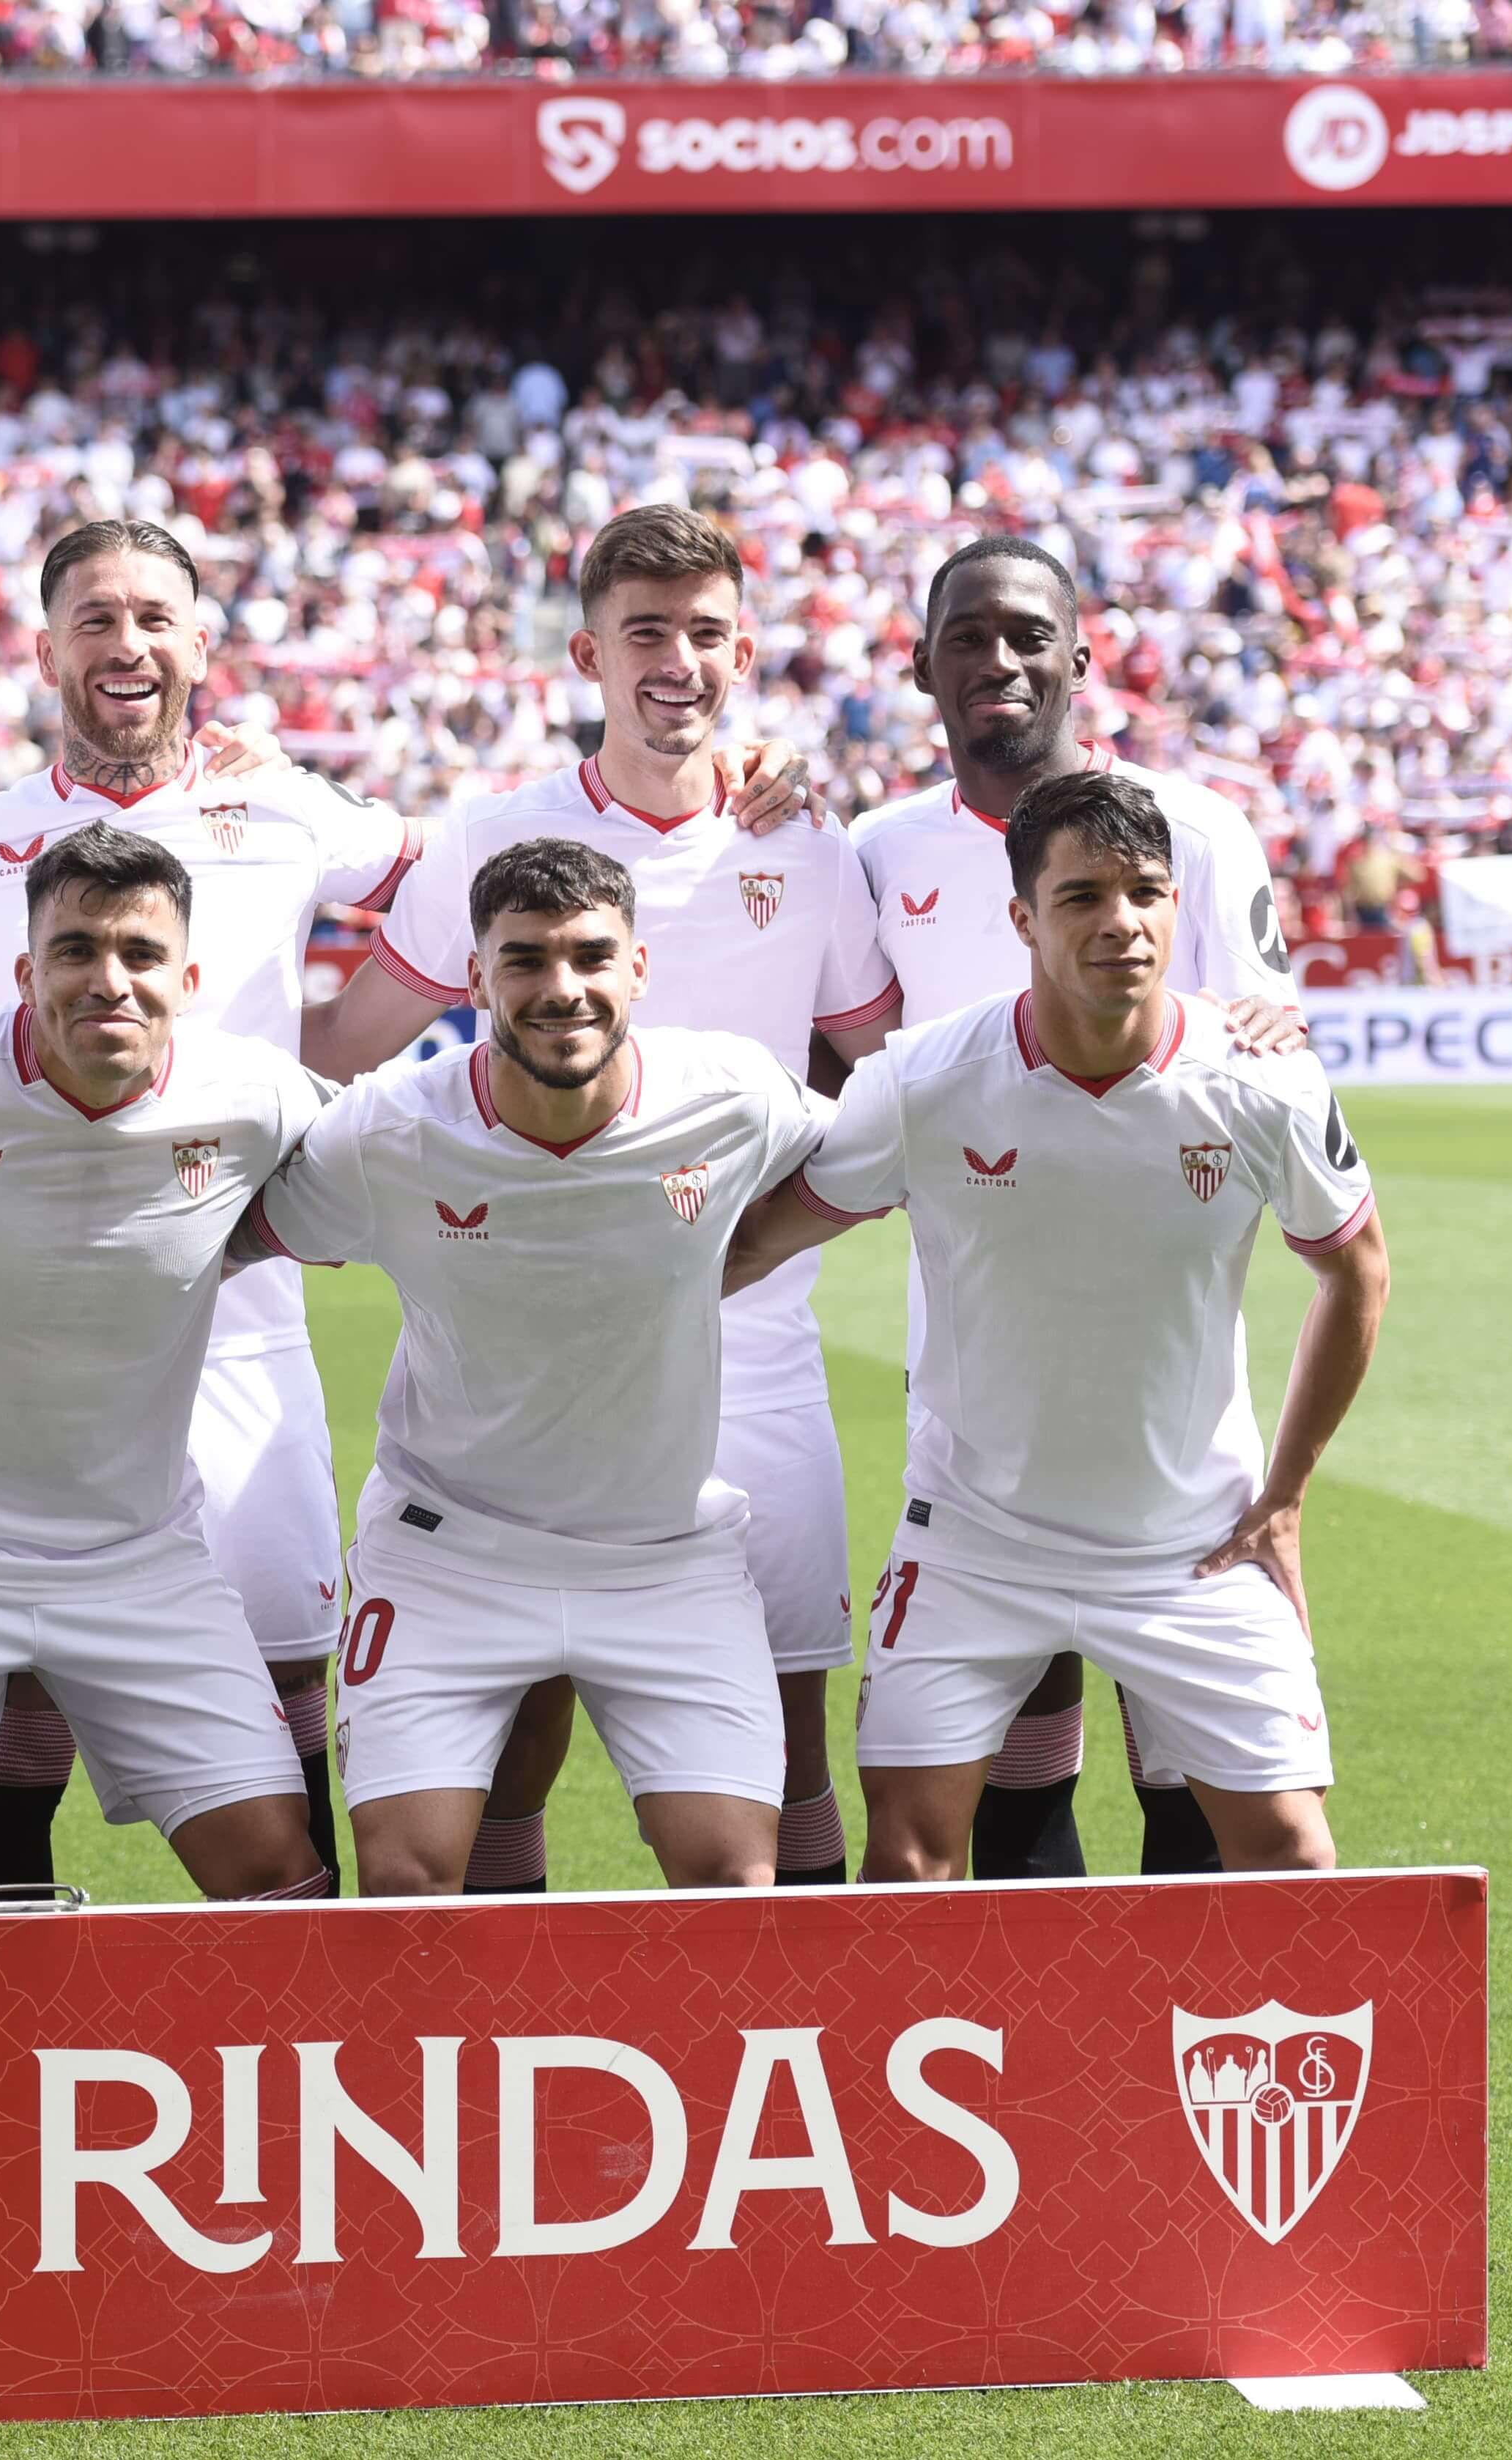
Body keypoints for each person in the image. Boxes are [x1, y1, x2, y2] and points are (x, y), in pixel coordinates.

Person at [316, 502, 897, 1890]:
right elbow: (344, 1050)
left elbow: (889, 1077)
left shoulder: (807, 843)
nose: (677, 663)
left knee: (792, 1746)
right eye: (646, 632)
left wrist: (729, 1252)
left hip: (751, 1360)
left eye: (706, 633)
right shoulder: (494, 838)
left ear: (745, 651)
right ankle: (503, 2059)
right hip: (527, 1358)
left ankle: (790, 2060)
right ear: (589, 652)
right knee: (507, 1732)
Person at [0, 517, 415, 1893]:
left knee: (292, 1682)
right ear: (45, 648)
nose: (128, 645)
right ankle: (13, 2044)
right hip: (27, 1365)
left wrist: (734, 773)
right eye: (95, 619)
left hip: (241, 1329)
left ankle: (301, 2042)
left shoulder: (288, 810)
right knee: (18, 1705)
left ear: (201, 644)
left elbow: (472, 887)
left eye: (156, 618)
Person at [722, 772, 1390, 1880]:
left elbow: (1356, 1273)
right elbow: (753, 1244)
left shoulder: (1265, 1084)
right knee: (908, 1861)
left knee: (1294, 1860)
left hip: (1194, 1544)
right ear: (1023, 918)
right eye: (1082, 896)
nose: (1121, 921)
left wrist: (1286, 1497)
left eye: (1145, 891)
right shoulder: (926, 1081)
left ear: (1179, 906)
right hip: (976, 1540)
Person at [239, 838, 827, 1891]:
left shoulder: (732, 1093)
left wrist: (738, 1254)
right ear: (475, 979)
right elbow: (235, 1230)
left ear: (638, 968)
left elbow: (873, 1157)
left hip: (664, 1553)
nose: (564, 988)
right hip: (446, 1552)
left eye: (592, 956)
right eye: (526, 960)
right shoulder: (389, 1129)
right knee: (408, 1890)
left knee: (737, 1885)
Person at [848, 532, 1307, 1883]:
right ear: (921, 667)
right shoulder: (876, 854)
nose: (1000, 661)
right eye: (968, 637)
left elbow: (1273, 1059)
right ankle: (1036, 2072)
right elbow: (843, 1068)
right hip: (979, 1378)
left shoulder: (1197, 830)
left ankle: (1169, 2084)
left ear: (1080, 658)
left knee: (1184, 1774)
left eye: (1029, 635)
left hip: (1169, 1401)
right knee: (1015, 1749)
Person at [0, 824, 335, 1911]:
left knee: (283, 1882)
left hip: (138, 1553)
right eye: (76, 949)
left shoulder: (257, 1094)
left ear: (188, 978)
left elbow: (375, 1186)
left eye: (139, 954)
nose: (109, 979)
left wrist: (210, 1252)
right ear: (26, 969)